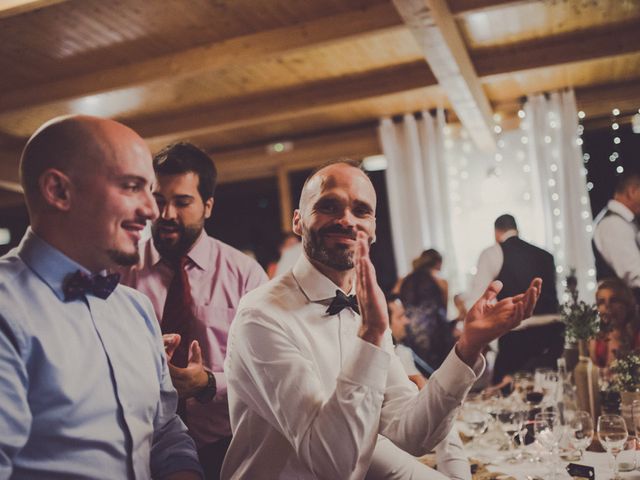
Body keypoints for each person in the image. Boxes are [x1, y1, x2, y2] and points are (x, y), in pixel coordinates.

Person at [222, 161, 541, 479]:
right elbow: (333, 464)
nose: (346, 219)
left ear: (373, 228)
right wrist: (372, 335)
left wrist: (468, 347)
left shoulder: (364, 309)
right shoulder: (262, 315)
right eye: (329, 206)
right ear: (298, 221)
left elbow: (412, 433)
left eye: (360, 211)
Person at [0, 115, 202, 479]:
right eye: (131, 187)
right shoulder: (6, 309)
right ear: (59, 192)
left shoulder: (137, 308)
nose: (153, 210)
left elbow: (165, 433)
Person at [120, 142, 267, 479]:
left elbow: (268, 372)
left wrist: (208, 384)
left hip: (228, 446)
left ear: (208, 206)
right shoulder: (120, 270)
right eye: (159, 201)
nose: (167, 214)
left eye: (182, 202)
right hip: (142, 445)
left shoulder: (246, 275)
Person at [460, 214, 561, 386]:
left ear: (496, 232)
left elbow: (477, 302)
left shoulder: (492, 252)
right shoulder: (546, 255)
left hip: (517, 342)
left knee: (506, 402)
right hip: (552, 339)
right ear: (517, 229)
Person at [386, 294, 470, 480]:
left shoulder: (402, 352)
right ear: (385, 323)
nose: (407, 321)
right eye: (400, 316)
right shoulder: (390, 362)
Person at [397, 249, 458, 369]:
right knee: (439, 370)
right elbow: (442, 311)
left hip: (412, 331)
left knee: (420, 368)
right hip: (435, 332)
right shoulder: (440, 281)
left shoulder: (404, 280)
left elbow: (395, 300)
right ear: (438, 263)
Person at [593, 171, 640, 302]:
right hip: (624, 314)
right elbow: (633, 273)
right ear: (632, 191)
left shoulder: (624, 222)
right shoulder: (612, 224)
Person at [590, 278, 640, 371]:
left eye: (613, 300)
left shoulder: (637, 336)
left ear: (627, 304)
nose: (607, 306)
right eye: (601, 302)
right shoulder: (596, 339)